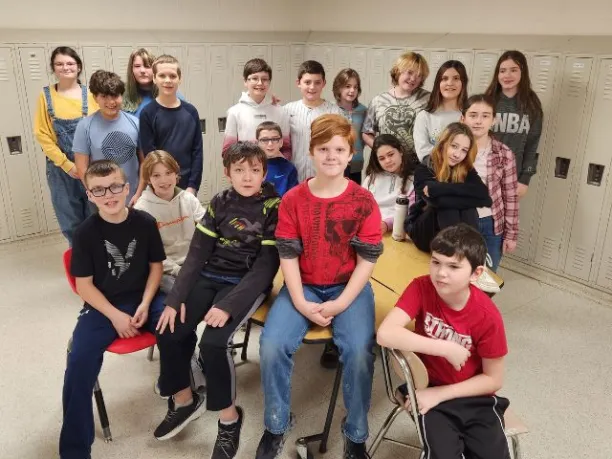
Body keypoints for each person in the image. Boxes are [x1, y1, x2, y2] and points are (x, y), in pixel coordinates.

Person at [256, 114, 383, 459]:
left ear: (350, 154)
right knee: (271, 346)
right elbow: (288, 255)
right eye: (323, 148)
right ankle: (276, 424)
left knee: (358, 351)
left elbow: (368, 259)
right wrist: (298, 299)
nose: (331, 155)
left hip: (348, 287)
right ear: (311, 152)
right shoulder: (294, 200)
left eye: (339, 149)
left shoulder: (363, 201)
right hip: (304, 285)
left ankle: (355, 434)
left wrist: (341, 304)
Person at [153, 142, 280, 459]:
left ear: (263, 172)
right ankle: (185, 400)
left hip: (244, 284)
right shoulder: (219, 202)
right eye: (239, 170)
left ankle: (229, 420)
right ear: (228, 173)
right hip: (209, 276)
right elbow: (196, 255)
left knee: (213, 343)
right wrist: (175, 299)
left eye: (254, 170)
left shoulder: (272, 206)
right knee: (169, 329)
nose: (247, 176)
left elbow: (266, 267)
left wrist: (228, 306)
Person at [60, 160, 166, 459]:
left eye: (115, 186)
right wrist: (115, 316)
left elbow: (156, 267)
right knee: (79, 361)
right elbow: (84, 286)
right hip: (103, 305)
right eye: (99, 190)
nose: (109, 195)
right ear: (89, 195)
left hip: (144, 296)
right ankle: (74, 451)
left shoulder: (145, 222)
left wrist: (146, 303)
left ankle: (183, 396)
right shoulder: (85, 233)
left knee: (178, 328)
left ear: (127, 187)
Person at [377, 223, 510, 459]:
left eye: (453, 266)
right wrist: (445, 348)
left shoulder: (487, 316)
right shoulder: (421, 287)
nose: (440, 273)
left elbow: (493, 379)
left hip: (473, 397)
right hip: (428, 389)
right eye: (436, 262)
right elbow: (385, 333)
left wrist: (442, 394)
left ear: (476, 273)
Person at [34, 46, 99, 245]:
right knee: (70, 219)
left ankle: (99, 259)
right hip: (61, 170)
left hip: (91, 166)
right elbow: (42, 134)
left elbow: (99, 129)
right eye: (59, 64)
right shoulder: (46, 96)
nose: (65, 67)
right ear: (53, 68)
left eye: (70, 63)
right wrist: (66, 164)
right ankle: (79, 261)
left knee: (95, 213)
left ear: (78, 66)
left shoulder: (91, 94)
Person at [405, 122, 492, 253]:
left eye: (464, 150)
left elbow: (484, 195)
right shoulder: (424, 168)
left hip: (446, 232)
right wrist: (466, 193)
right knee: (449, 206)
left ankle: (467, 251)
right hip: (423, 232)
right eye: (454, 146)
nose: (457, 154)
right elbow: (438, 201)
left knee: (468, 208)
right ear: (443, 143)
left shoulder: (464, 168)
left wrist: (439, 188)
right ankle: (461, 253)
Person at [134, 150, 206, 292]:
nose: (164, 180)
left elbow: (209, 228)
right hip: (165, 271)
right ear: (148, 179)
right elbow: (148, 254)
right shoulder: (141, 209)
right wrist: (178, 270)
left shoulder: (188, 199)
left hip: (194, 264)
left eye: (168, 173)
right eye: (156, 175)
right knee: (185, 294)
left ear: (176, 174)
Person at [462, 94, 519, 272]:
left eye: (485, 115)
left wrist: (511, 235)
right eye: (473, 115)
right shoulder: (452, 149)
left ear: (493, 120)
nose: (478, 121)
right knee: (459, 274)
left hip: (490, 223)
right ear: (462, 118)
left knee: (486, 277)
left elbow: (510, 197)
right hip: (459, 220)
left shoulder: (504, 153)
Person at [73, 70, 143, 206]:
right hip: (101, 199)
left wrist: (139, 193)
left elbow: (144, 162)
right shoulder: (85, 126)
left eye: (115, 96)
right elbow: (82, 168)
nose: (111, 102)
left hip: (133, 196)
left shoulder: (135, 123)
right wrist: (96, 195)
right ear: (95, 98)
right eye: (104, 96)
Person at [140, 55, 203, 194]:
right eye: (162, 75)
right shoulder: (148, 113)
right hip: (162, 185)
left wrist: (193, 186)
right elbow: (151, 155)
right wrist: (161, 184)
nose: (168, 80)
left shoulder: (191, 111)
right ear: (154, 79)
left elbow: (197, 152)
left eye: (173, 76)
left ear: (179, 79)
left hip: (188, 185)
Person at [485, 50, 543, 200]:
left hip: (512, 175)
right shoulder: (488, 101)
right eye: (502, 71)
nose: (507, 75)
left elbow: (532, 145)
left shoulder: (531, 104)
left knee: (506, 220)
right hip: (483, 171)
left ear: (522, 72)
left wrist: (525, 179)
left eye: (513, 70)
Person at [362, 52, 430, 166]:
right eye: (409, 72)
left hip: (416, 166)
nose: (413, 78)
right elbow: (367, 132)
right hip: (386, 166)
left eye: (419, 75)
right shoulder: (378, 101)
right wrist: (383, 153)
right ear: (398, 71)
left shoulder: (428, 99)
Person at [283, 60, 343, 182]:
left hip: (325, 178)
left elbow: (341, 147)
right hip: (294, 178)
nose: (312, 87)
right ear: (298, 83)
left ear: (324, 83)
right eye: (307, 82)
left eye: (317, 82)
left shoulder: (335, 112)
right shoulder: (287, 111)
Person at [222, 58, 291, 159]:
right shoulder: (235, 112)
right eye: (254, 78)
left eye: (264, 79)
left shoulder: (280, 111)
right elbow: (227, 150)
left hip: (274, 172)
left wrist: (279, 168)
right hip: (247, 171)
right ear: (245, 81)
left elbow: (286, 148)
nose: (260, 83)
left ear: (269, 82)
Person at [413, 60, 468, 162]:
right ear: (438, 83)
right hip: (432, 173)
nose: (450, 83)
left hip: (462, 174)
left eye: (456, 78)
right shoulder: (424, 116)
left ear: (463, 83)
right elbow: (423, 152)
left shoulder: (469, 116)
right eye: (444, 79)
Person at [362, 134, 415, 235]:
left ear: (400, 151)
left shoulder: (413, 181)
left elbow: (410, 213)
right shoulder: (371, 178)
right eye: (382, 158)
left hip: (397, 232)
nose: (388, 161)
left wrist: (386, 224)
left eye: (391, 154)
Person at [333, 68, 368, 183]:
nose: (352, 90)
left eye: (355, 87)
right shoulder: (331, 110)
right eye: (347, 86)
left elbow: (366, 137)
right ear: (338, 87)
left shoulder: (363, 111)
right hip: (335, 164)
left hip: (356, 164)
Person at [256, 121, 298, 196]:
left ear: (281, 142)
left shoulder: (289, 169)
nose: (270, 144)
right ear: (257, 143)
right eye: (265, 140)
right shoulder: (251, 167)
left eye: (274, 139)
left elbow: (293, 198)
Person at [122, 48, 157, 117]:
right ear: (131, 69)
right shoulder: (121, 93)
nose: (142, 70)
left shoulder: (168, 93)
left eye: (147, 66)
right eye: (137, 66)